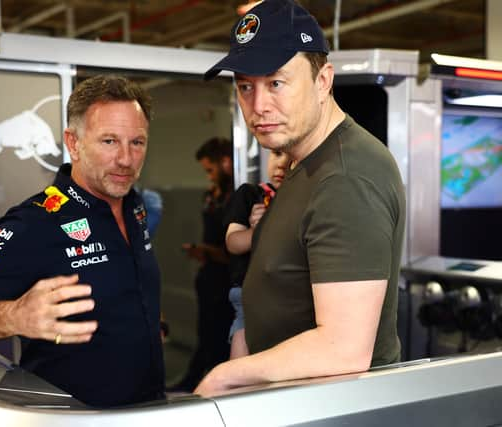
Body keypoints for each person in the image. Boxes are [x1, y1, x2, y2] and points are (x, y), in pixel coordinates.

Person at [196, 0, 406, 395]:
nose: (258, 106)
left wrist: (225, 376)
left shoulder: (346, 177)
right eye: (245, 86)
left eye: (276, 83)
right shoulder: (303, 163)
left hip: (330, 409)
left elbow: (342, 349)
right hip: (290, 400)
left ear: (323, 81)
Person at [0, 75, 165, 408]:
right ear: (74, 143)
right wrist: (12, 316)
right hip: (70, 418)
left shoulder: (136, 206)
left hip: (149, 409)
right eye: (109, 141)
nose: (126, 159)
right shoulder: (35, 222)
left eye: (137, 142)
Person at [172, 137, 234, 392]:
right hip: (209, 278)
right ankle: (193, 380)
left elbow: (235, 251)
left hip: (228, 281)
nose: (208, 177)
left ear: (226, 163)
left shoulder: (237, 199)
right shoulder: (211, 197)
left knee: (220, 339)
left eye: (210, 170)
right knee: (206, 334)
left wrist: (209, 252)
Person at [224, 149, 290, 359]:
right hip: (249, 295)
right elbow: (233, 243)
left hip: (288, 295)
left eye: (292, 159)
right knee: (241, 359)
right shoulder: (250, 194)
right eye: (277, 154)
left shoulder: (304, 200)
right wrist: (255, 230)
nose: (281, 164)